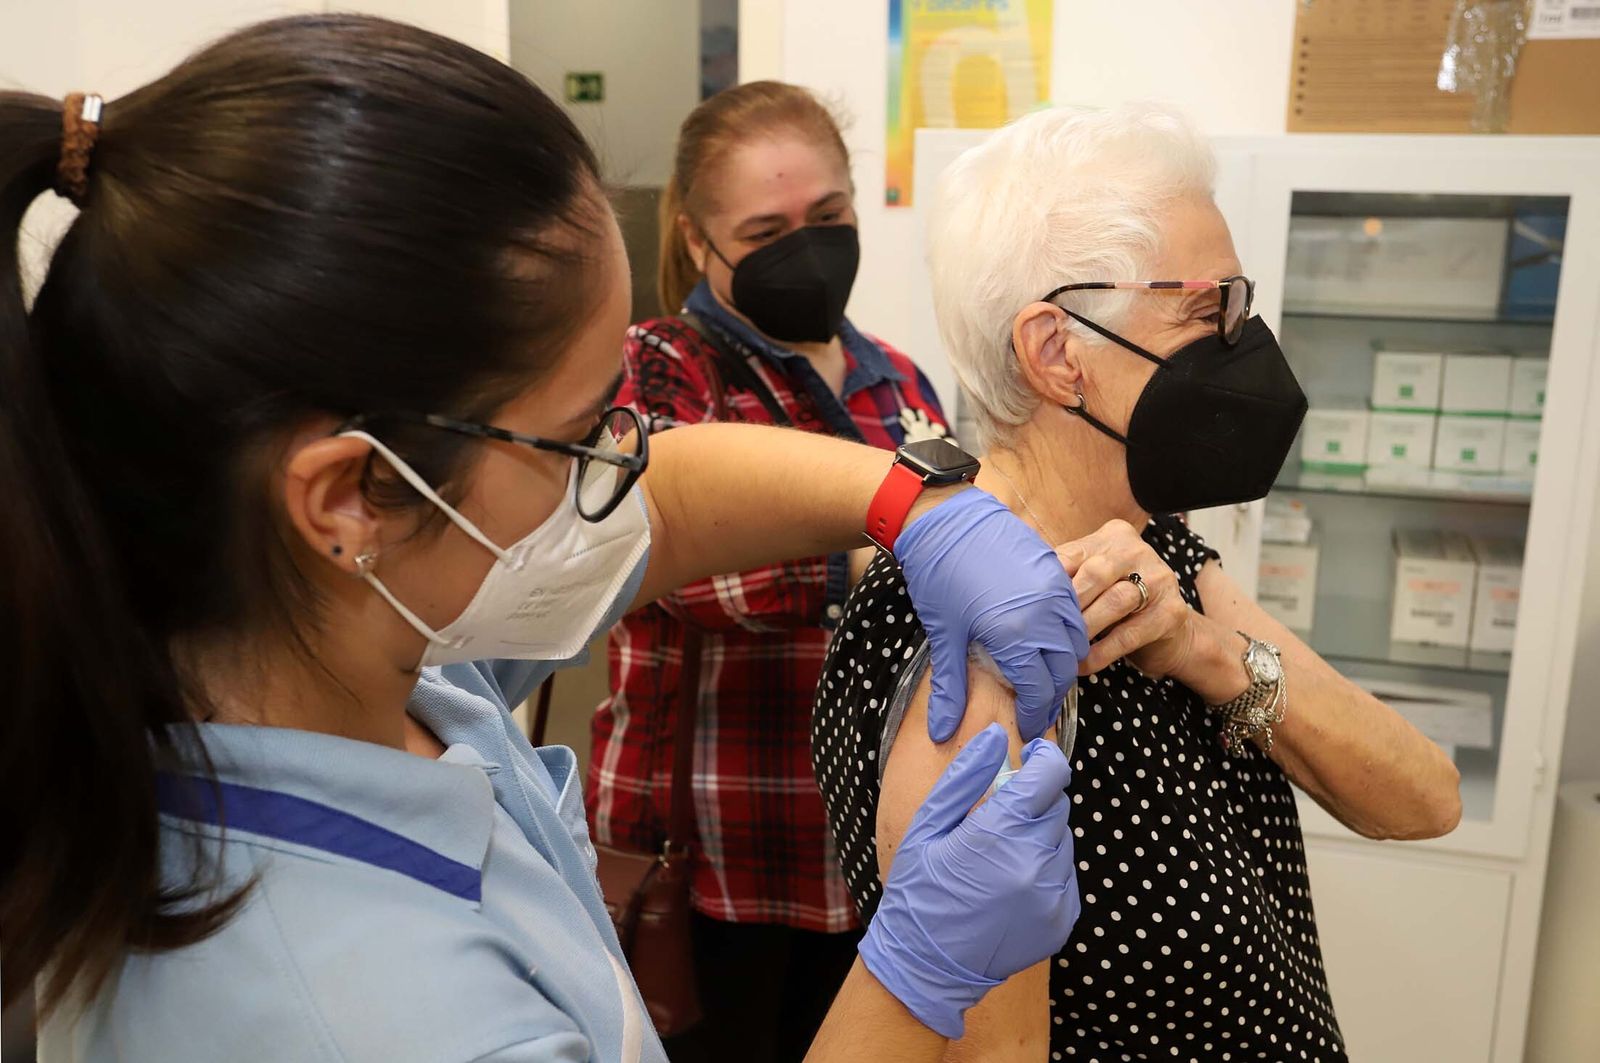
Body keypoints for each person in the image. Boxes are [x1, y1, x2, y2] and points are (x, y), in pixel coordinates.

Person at [0, 18, 1095, 1062]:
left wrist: (915, 502)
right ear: (349, 498)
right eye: (583, 434)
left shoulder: (354, 648)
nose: (622, 469)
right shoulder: (374, 1017)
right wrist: (919, 974)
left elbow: (673, 501)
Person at [810, 103, 1465, 1063]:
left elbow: (1424, 797)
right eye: (1209, 311)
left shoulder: (1160, 553)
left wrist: (1205, 650)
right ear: (1057, 352)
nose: (1243, 342)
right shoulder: (965, 638)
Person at [587, 81, 949, 1062]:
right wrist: (896, 549)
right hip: (720, 848)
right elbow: (680, 565)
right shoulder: (661, 368)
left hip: (874, 848)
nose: (807, 245)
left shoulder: (902, 384)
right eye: (765, 228)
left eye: (827, 217)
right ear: (698, 242)